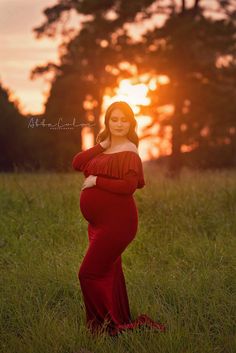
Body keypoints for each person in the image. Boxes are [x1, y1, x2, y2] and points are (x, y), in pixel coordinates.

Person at [72, 101, 166, 336]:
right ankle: (114, 318)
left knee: (88, 273)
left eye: (124, 119)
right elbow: (77, 163)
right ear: (107, 121)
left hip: (118, 224)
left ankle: (102, 328)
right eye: (114, 119)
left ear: (131, 122)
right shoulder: (103, 148)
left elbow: (128, 187)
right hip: (97, 224)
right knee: (109, 272)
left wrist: (97, 181)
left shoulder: (130, 151)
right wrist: (101, 144)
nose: (119, 124)